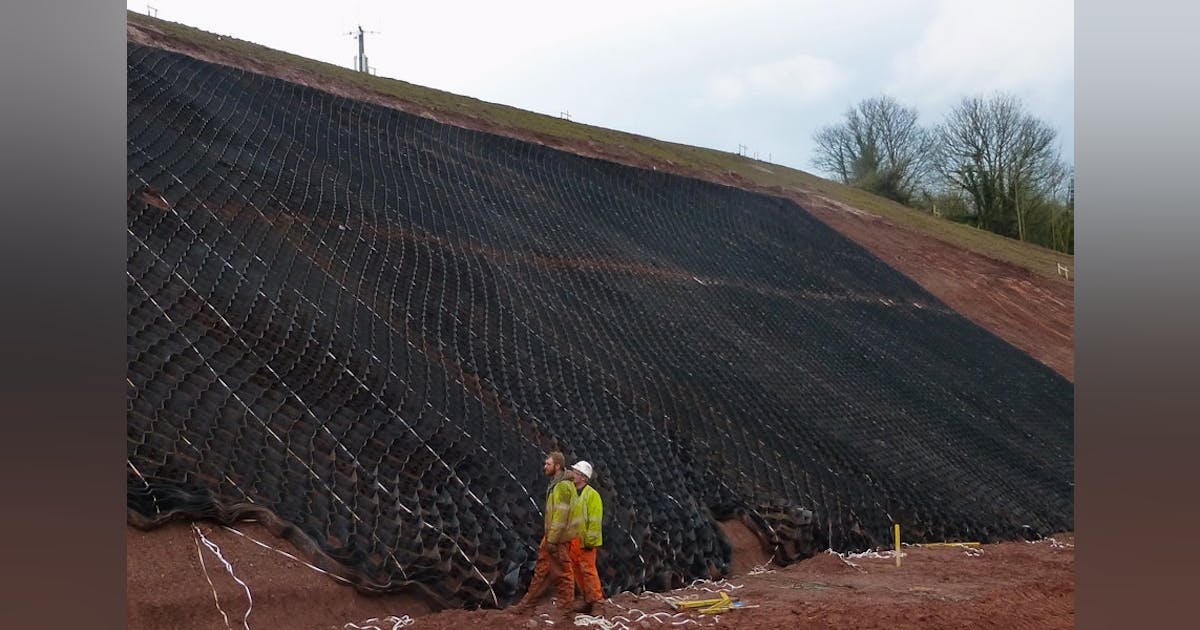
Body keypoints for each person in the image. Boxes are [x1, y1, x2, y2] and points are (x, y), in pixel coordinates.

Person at [513, 451, 580, 618]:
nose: (545, 467)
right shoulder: (558, 484)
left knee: (563, 573)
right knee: (542, 570)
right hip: (552, 536)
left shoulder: (563, 486)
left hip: (557, 538)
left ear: (557, 466)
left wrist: (552, 539)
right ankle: (528, 604)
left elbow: (560, 515)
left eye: (548, 464)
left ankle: (565, 609)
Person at [567, 460, 605, 614]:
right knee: (576, 570)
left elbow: (595, 520)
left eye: (576, 473)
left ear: (583, 477)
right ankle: (586, 598)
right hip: (573, 539)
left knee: (588, 570)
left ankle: (597, 601)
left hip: (585, 540)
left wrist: (590, 541)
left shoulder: (592, 495)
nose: (573, 475)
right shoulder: (571, 492)